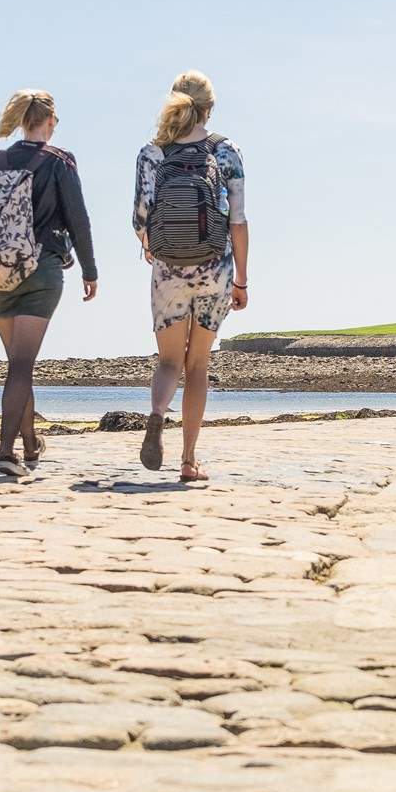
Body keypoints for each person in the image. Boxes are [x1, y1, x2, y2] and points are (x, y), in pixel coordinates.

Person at [0, 89, 99, 477]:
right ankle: (6, 452)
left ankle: (31, 444)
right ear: (49, 121)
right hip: (41, 270)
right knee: (22, 364)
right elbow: (78, 219)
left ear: (22, 120)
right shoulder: (59, 162)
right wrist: (90, 270)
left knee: (19, 363)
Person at [132, 71, 248, 484]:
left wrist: (153, 247)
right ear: (210, 107)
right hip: (215, 268)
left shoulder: (153, 153)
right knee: (197, 364)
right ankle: (188, 461)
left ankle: (157, 415)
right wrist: (242, 282)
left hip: (168, 270)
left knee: (168, 360)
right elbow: (238, 221)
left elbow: (139, 218)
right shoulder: (226, 150)